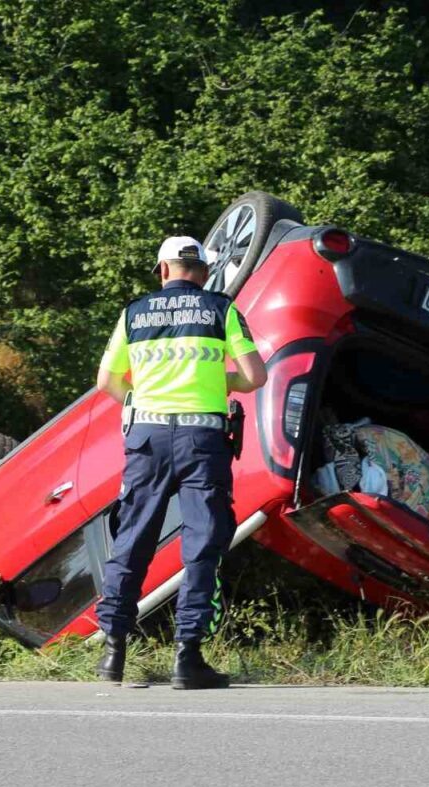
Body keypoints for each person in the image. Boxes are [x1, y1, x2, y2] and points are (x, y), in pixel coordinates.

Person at [94, 235, 267, 689]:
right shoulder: (221, 310)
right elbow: (255, 376)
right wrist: (220, 378)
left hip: (147, 438)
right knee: (202, 543)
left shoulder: (134, 312)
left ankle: (113, 652)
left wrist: (137, 402)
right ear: (205, 272)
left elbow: (105, 381)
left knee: (132, 538)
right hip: (202, 440)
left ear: (163, 270)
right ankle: (187, 658)